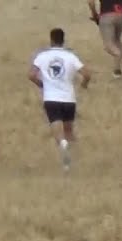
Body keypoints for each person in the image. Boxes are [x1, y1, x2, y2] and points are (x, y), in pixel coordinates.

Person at [28, 28, 92, 172]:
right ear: (63, 40)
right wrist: (84, 84)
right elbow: (87, 74)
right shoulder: (70, 56)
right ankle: (72, 162)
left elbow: (31, 75)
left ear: (51, 40)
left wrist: (42, 84)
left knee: (57, 130)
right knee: (69, 131)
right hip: (69, 99)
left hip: (51, 98)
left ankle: (63, 146)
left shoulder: (42, 56)